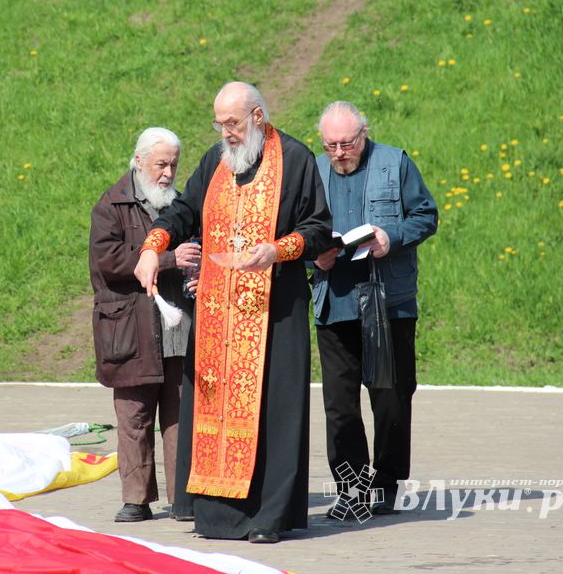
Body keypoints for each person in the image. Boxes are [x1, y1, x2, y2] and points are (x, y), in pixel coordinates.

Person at [134, 82, 333, 543]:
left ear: (258, 118)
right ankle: (220, 516)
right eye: (219, 124)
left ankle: (269, 517)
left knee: (272, 414)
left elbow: (320, 229)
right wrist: (152, 246)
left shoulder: (297, 160)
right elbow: (183, 212)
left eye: (233, 124)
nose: (226, 133)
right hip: (220, 312)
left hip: (276, 309)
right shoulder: (216, 161)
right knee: (217, 413)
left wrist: (278, 250)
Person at [311, 101, 438, 515]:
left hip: (387, 303)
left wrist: (391, 237)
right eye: (331, 145)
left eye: (347, 143)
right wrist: (313, 255)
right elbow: (294, 229)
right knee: (339, 405)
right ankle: (350, 486)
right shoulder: (313, 170)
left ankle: (385, 482)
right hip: (334, 302)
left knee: (391, 396)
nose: (339, 153)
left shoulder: (394, 162)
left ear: (363, 135)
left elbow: (426, 215)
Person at [89, 127, 202, 523]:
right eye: (161, 164)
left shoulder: (182, 206)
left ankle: (183, 498)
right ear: (138, 162)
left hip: (176, 329)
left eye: (173, 164)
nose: (169, 173)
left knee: (178, 415)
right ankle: (136, 500)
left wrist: (197, 270)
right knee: (134, 416)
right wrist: (170, 259)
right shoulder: (112, 204)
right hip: (130, 329)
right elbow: (110, 262)